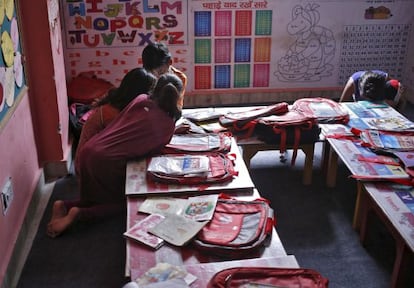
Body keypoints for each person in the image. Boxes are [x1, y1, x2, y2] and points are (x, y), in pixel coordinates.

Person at [47, 73, 184, 237]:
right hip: (107, 162)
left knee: (94, 197)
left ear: (155, 88)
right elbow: (151, 150)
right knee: (124, 202)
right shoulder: (167, 125)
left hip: (88, 151)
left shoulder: (140, 99)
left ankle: (64, 205)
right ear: (177, 97)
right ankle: (78, 214)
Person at [74, 68, 157, 176]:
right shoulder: (113, 113)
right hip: (90, 168)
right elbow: (129, 143)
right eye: (149, 93)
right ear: (139, 94)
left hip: (96, 161)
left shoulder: (120, 103)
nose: (150, 97)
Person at [141, 42, 187, 107]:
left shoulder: (180, 78)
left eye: (160, 73)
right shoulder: (140, 77)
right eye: (150, 73)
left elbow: (176, 107)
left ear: (170, 62)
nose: (155, 77)